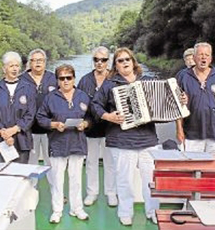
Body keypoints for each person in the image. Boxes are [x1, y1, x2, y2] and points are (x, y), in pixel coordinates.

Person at [92, 47, 160, 226]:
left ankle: (153, 211)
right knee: (124, 180)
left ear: (133, 61)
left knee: (151, 180)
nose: (124, 63)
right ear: (115, 65)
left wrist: (180, 99)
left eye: (127, 59)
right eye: (120, 60)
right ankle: (125, 212)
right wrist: (108, 116)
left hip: (147, 139)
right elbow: (95, 105)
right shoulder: (109, 84)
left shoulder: (148, 81)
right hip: (121, 140)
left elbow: (164, 102)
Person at [36, 64, 91, 224]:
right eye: (62, 78)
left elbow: (91, 117)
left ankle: (77, 208)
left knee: (76, 179)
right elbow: (40, 118)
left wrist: (85, 124)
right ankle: (57, 210)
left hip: (77, 143)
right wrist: (54, 125)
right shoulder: (50, 97)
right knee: (57, 179)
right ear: (57, 80)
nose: (66, 81)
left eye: (69, 77)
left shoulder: (83, 96)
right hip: (58, 144)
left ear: (74, 79)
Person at [176, 42, 215, 155]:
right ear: (194, 58)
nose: (203, 57)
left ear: (211, 59)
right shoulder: (183, 76)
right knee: (193, 169)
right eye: (200, 55)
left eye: (207, 55)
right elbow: (176, 105)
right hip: (192, 133)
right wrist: (179, 129)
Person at [77, 46, 117, 207]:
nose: (100, 63)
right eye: (96, 60)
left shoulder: (115, 79)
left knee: (110, 162)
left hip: (111, 128)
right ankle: (92, 193)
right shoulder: (85, 80)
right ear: (92, 60)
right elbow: (78, 104)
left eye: (103, 60)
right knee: (91, 162)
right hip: (90, 128)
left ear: (109, 61)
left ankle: (111, 193)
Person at [0, 51, 37, 163]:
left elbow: (30, 114)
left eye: (17, 66)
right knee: (1, 175)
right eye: (11, 66)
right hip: (0, 140)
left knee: (20, 176)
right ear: (4, 69)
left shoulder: (28, 89)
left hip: (21, 140)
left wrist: (14, 130)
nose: (14, 69)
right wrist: (3, 132)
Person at [20, 49, 57, 166]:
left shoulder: (54, 78)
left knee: (51, 162)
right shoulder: (21, 79)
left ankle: (54, 185)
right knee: (31, 162)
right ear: (29, 63)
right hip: (29, 129)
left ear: (45, 62)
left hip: (50, 128)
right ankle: (32, 185)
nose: (37, 63)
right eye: (34, 60)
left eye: (40, 60)